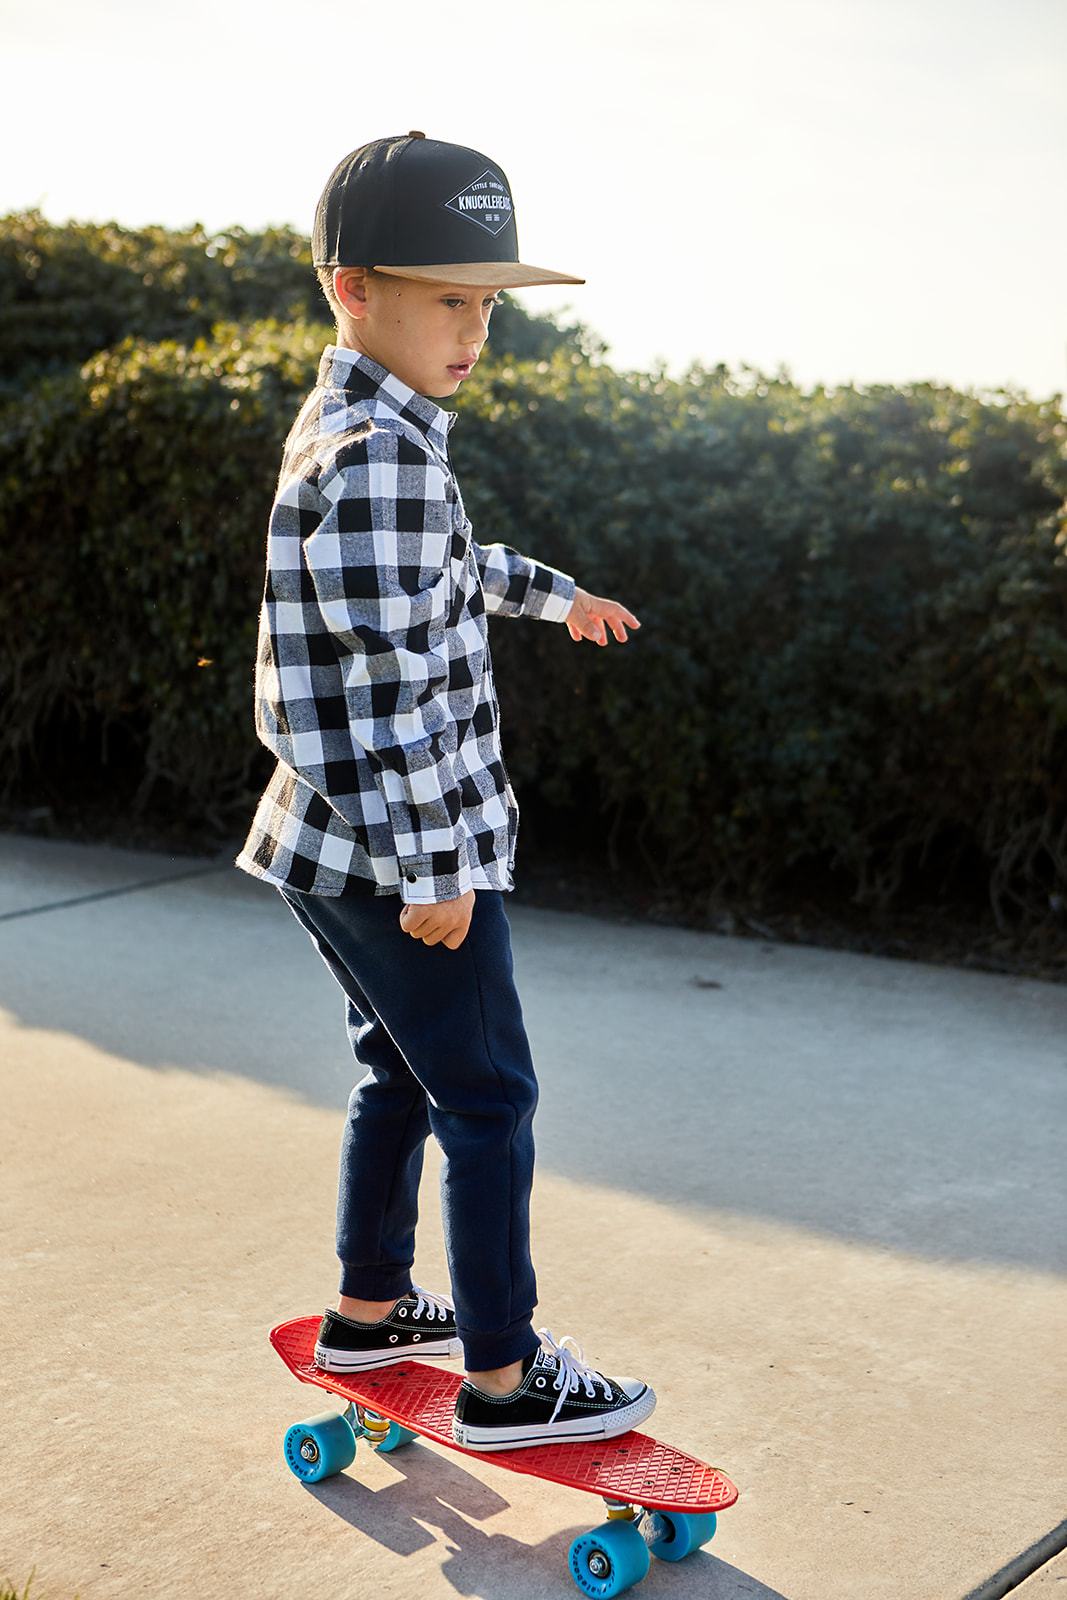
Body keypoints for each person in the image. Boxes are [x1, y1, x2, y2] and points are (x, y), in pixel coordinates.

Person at [235, 132, 653, 1451]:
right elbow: (397, 691)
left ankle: (370, 1310)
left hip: (329, 846)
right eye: (448, 300)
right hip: (397, 856)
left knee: (401, 1073)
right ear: (352, 288)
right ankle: (508, 1381)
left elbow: (443, 573)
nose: (475, 332)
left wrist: (555, 595)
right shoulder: (384, 455)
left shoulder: (365, 432)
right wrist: (437, 871)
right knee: (488, 1097)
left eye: (486, 304)